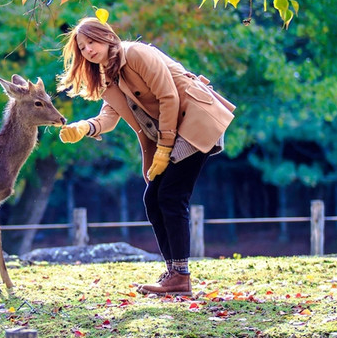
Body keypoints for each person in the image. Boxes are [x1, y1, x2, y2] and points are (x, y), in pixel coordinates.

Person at [57, 17, 235, 296]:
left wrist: (164, 149)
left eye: (91, 41)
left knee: (171, 196)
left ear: (106, 36)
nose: (88, 50)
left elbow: (169, 97)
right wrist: (85, 128)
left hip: (194, 119)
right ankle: (174, 273)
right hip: (173, 130)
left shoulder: (135, 54)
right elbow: (110, 116)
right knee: (153, 199)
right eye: (82, 47)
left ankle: (180, 276)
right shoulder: (108, 75)